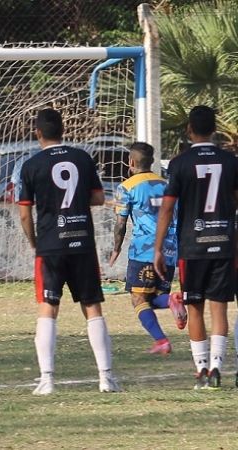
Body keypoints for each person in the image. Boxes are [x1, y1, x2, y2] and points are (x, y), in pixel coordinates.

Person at [18, 108, 119, 395]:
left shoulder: (31, 165)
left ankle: (47, 379)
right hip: (82, 242)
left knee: (48, 307)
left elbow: (24, 213)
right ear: (63, 130)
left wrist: (34, 242)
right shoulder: (82, 157)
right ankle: (106, 378)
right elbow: (98, 197)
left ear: (38, 133)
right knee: (92, 306)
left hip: (51, 245)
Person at [153, 105, 238, 390]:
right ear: (215, 129)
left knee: (195, 308)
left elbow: (167, 209)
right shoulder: (230, 161)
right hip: (223, 243)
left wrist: (158, 248)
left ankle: (201, 371)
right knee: (219, 310)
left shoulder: (179, 163)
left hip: (193, 246)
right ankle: (216, 368)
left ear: (189, 129)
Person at [109, 142, 187, 355]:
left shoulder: (127, 187)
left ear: (131, 162)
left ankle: (162, 340)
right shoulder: (166, 184)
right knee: (151, 299)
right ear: (152, 162)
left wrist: (116, 249)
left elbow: (120, 223)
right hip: (169, 249)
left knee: (138, 299)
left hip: (144, 250)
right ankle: (171, 302)